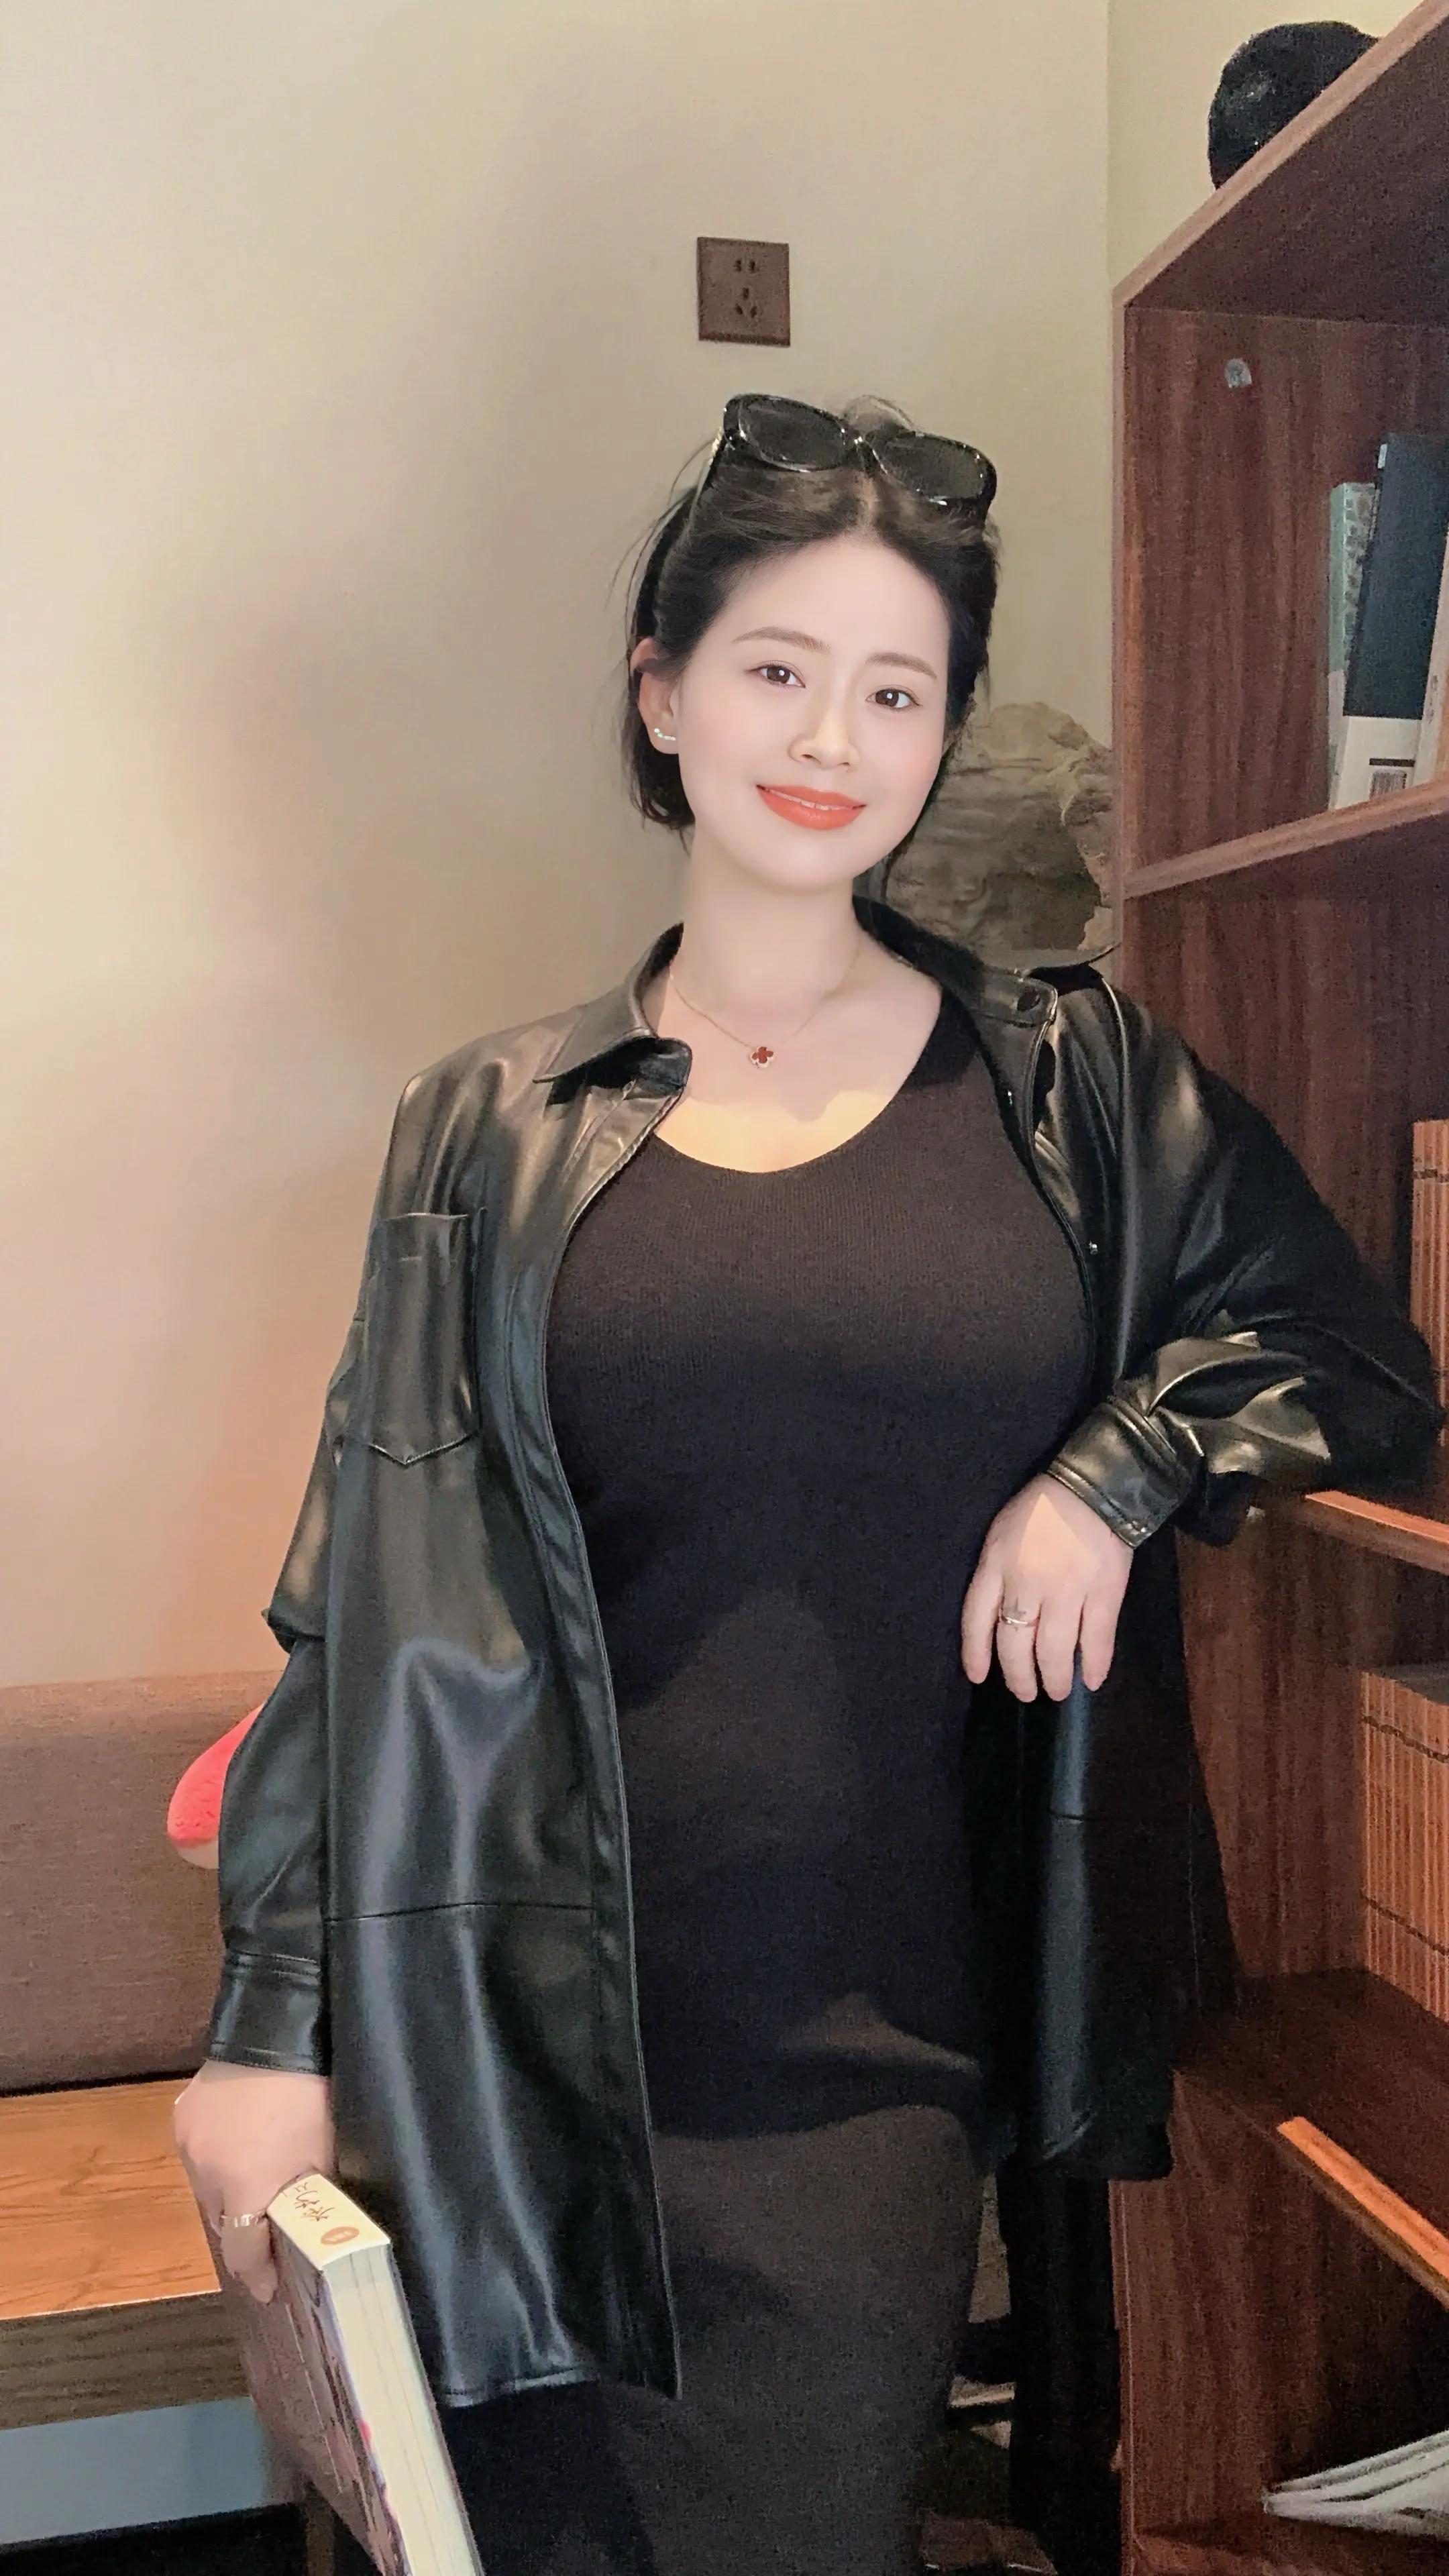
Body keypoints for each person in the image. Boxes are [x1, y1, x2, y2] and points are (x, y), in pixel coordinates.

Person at [174, 395, 1439, 2576]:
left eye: (898, 689)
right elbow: (357, 1602)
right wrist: (269, 2032)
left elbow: (1356, 1359)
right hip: (511, 2054)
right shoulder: (483, 1127)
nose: (835, 738)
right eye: (778, 667)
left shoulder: (1077, 1090)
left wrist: (1117, 1471)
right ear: (663, 695)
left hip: (875, 2065)